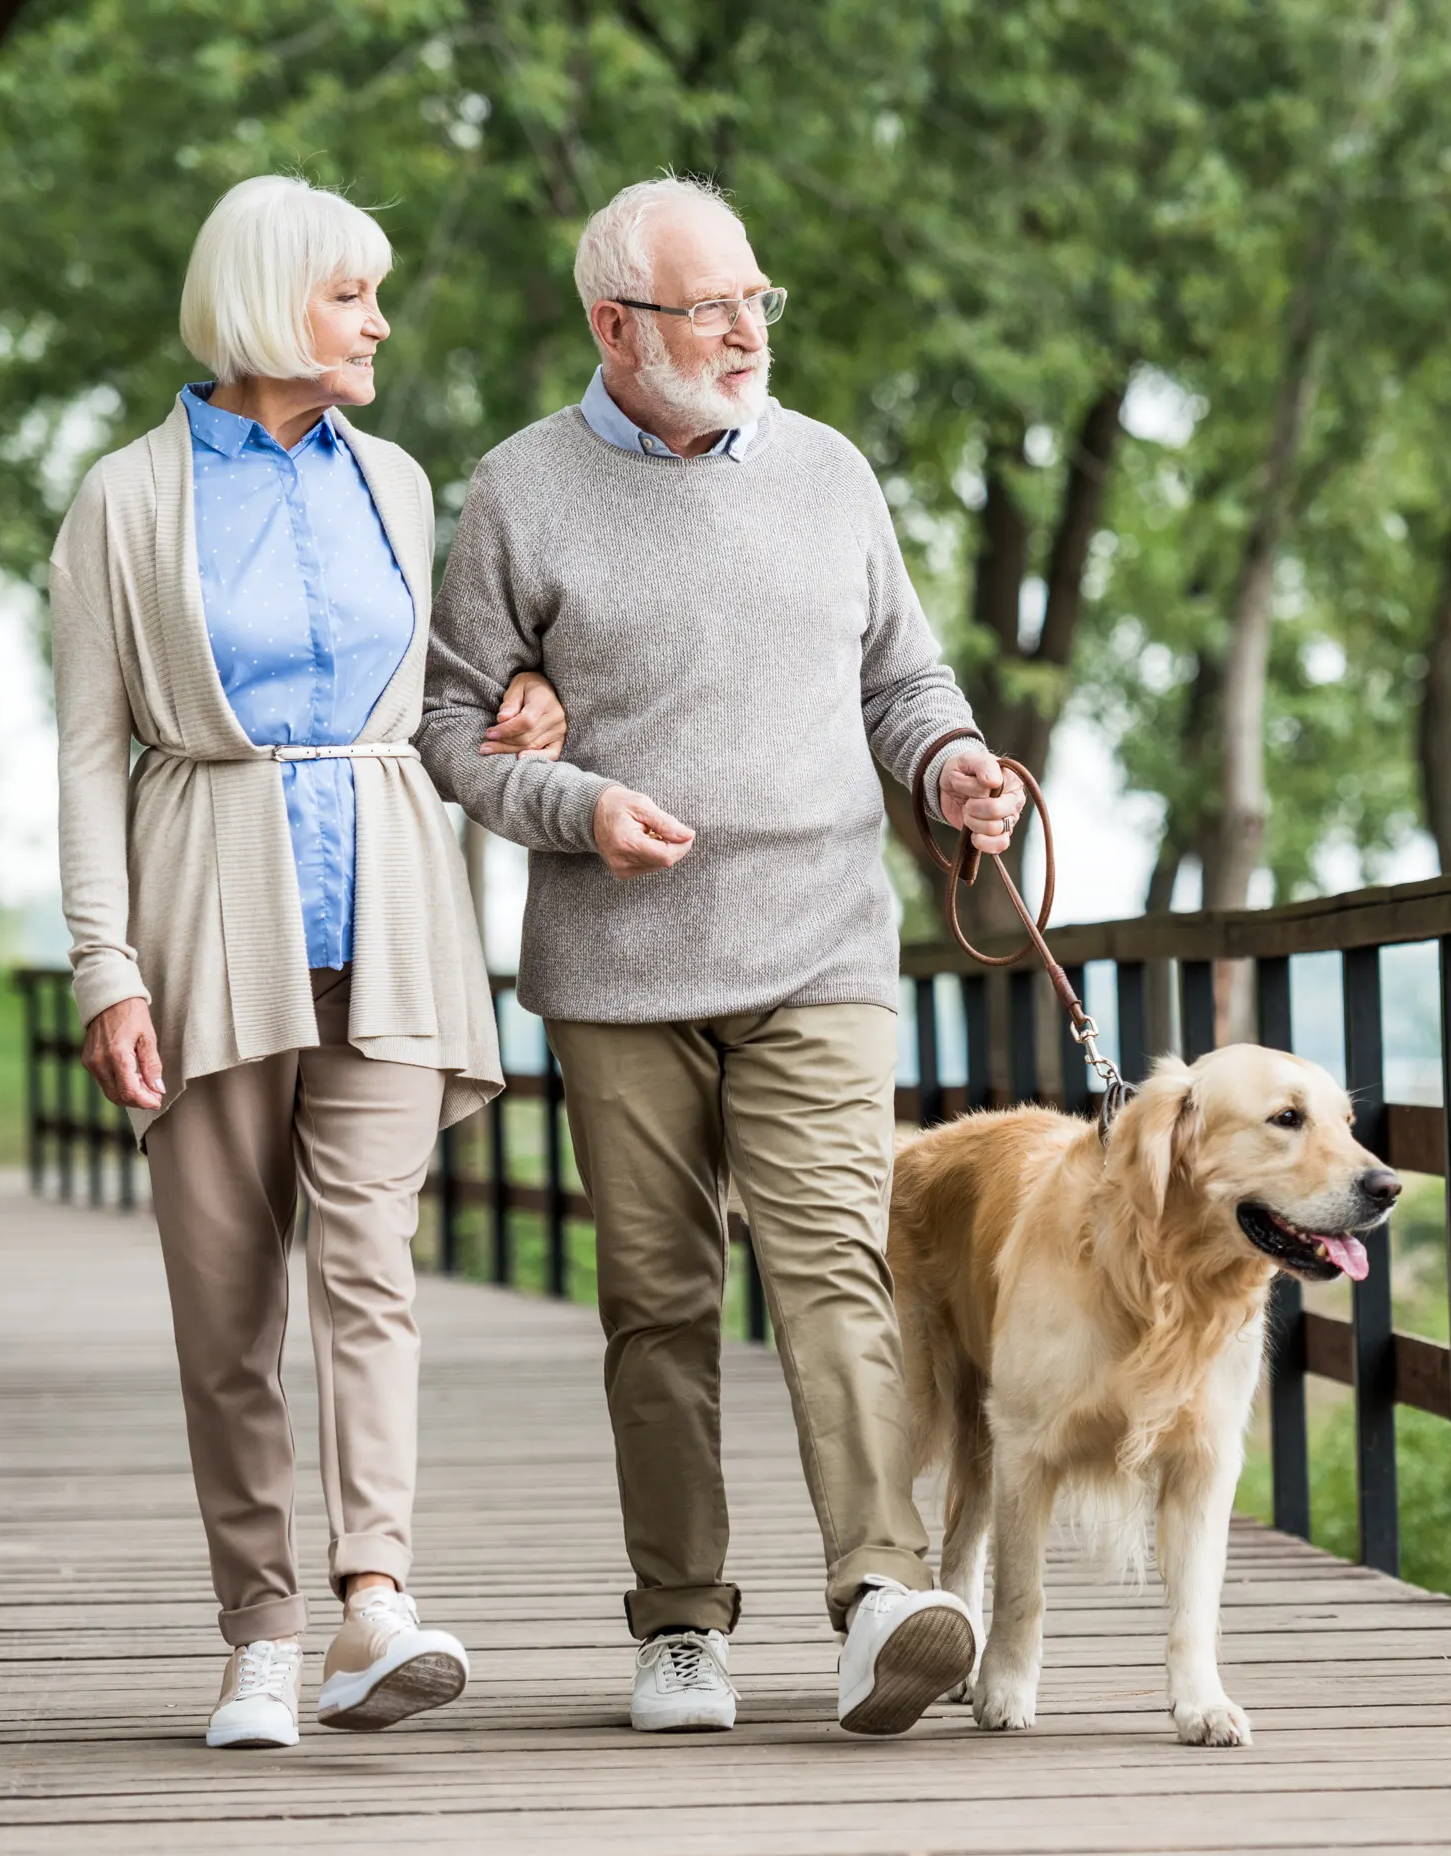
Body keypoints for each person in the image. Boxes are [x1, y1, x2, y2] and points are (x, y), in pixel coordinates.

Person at [419, 174, 1027, 1736]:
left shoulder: (831, 472)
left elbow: (903, 677)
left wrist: (953, 764)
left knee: (835, 1266)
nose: (749, 331)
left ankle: (881, 1592)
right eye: (712, 309)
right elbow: (447, 726)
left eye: (760, 299)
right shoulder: (517, 491)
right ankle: (680, 1620)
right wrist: (573, 802)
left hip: (821, 937)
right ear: (617, 327)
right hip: (620, 963)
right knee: (657, 1296)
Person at [51, 174, 566, 1749]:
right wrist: (102, 963)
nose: (380, 325)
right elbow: (85, 756)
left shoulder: (400, 482)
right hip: (205, 908)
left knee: (372, 1273)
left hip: (394, 906)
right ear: (277, 302)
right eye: (355, 297)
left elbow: (432, 694)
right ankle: (258, 1632)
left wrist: (522, 696)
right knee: (225, 1305)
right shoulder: (126, 502)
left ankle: (372, 1598)